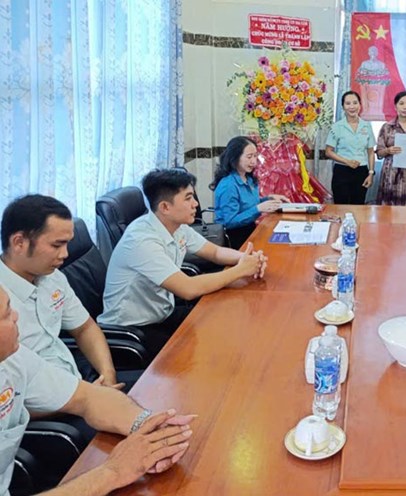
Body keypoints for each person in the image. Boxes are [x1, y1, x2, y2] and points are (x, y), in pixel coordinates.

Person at [0, 285, 195, 495]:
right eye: (7, 312)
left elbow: (87, 398)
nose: (17, 315)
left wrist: (148, 428)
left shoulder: (13, 360)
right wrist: (112, 472)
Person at [99, 169, 266, 356]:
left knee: (224, 321)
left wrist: (246, 258)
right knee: (207, 351)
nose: (195, 204)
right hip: (134, 331)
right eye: (188, 198)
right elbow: (187, 289)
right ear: (165, 207)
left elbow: (215, 252)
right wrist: (240, 270)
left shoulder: (176, 226)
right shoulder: (141, 240)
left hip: (162, 312)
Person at [0, 195, 133, 389]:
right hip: (40, 408)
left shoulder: (51, 276)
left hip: (76, 382)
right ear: (19, 242)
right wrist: (88, 399)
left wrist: (107, 376)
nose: (65, 254)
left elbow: (84, 328)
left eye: (67, 244)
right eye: (56, 245)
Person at [211, 136, 289, 249]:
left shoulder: (248, 178)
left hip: (250, 229)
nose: (253, 161)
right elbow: (229, 222)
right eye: (249, 157)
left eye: (255, 156)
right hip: (233, 238)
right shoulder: (228, 185)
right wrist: (258, 208)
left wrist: (269, 199)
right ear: (235, 157)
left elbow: (249, 204)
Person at [325, 91, 376, 205]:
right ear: (343, 106)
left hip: (361, 172)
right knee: (341, 207)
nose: (352, 106)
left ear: (360, 105)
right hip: (342, 171)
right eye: (348, 103)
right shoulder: (337, 126)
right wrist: (347, 161)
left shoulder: (366, 126)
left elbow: (371, 152)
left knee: (358, 207)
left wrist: (371, 173)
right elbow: (328, 152)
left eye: (355, 103)